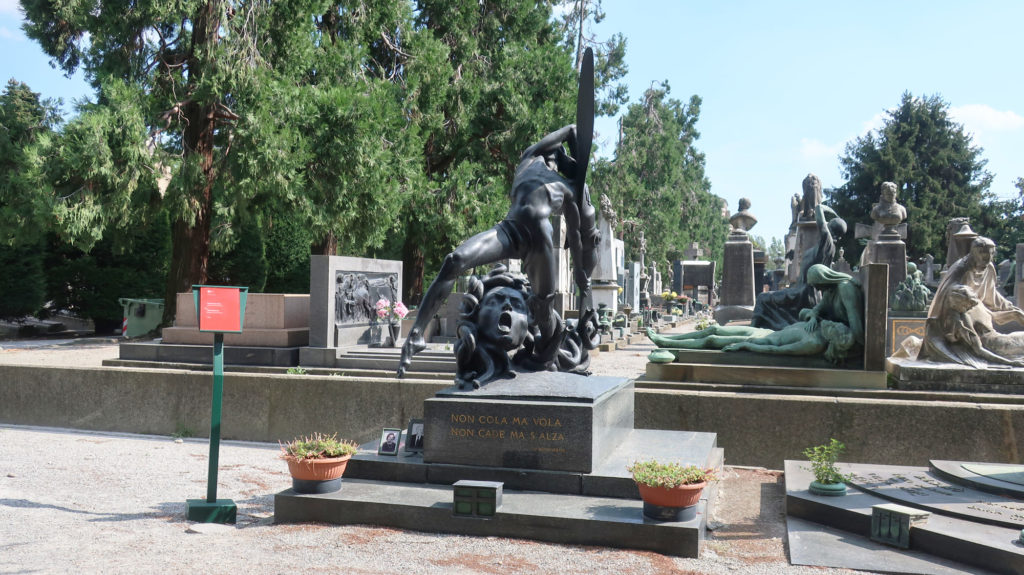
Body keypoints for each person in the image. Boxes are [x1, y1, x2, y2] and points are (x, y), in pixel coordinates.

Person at [397, 125, 598, 378]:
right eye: (553, 150)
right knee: (454, 260)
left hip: (539, 243)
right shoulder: (529, 158)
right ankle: (417, 334)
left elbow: (577, 237)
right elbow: (572, 129)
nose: (554, 154)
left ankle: (551, 355)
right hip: (509, 231)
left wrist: (581, 276)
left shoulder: (567, 188)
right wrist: (578, 157)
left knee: (543, 309)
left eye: (558, 155)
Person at [646, 318, 856, 364]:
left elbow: (779, 351)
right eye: (836, 323)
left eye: (834, 327)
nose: (832, 323)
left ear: (833, 339)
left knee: (712, 339)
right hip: (765, 331)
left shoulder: (814, 344)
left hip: (762, 341)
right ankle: (666, 339)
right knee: (715, 328)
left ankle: (667, 344)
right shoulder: (818, 325)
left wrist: (746, 345)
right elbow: (803, 312)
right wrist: (813, 314)